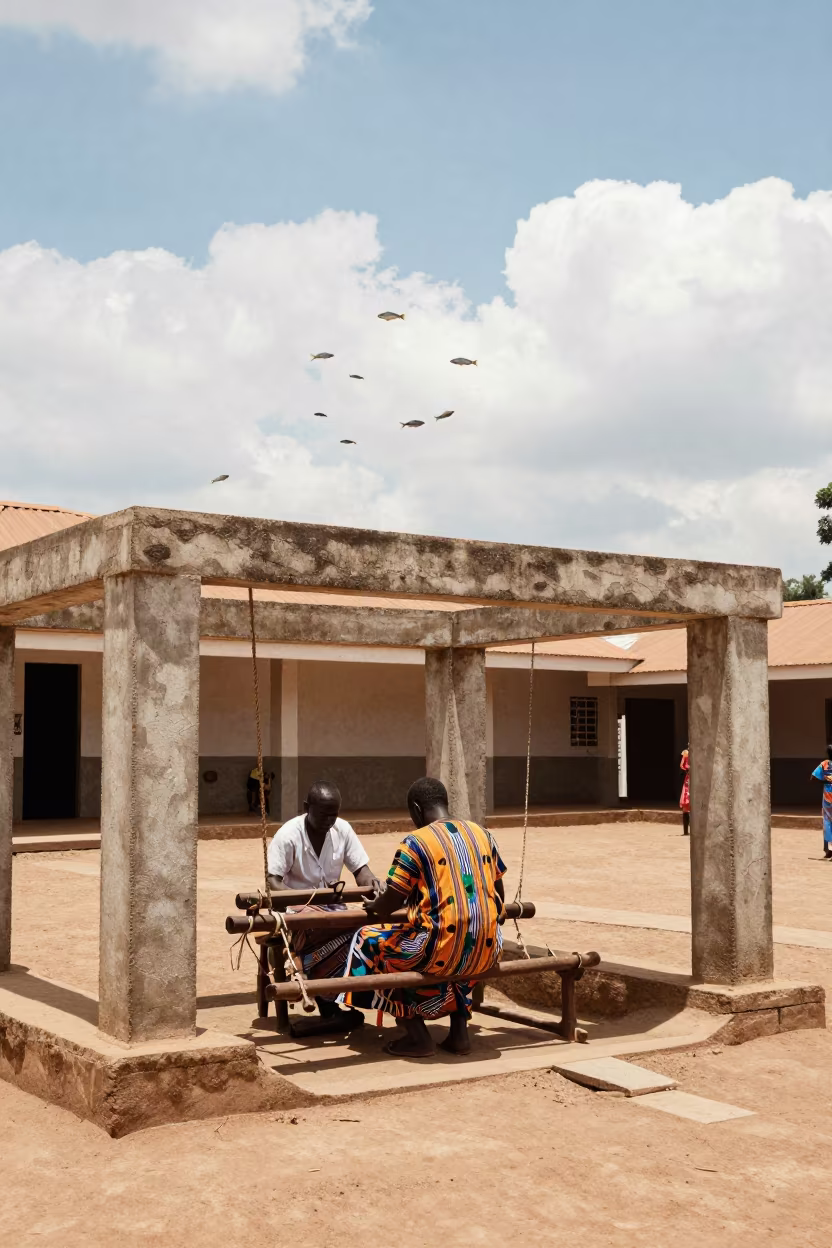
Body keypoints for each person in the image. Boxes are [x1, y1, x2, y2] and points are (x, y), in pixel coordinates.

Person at [341, 776, 506, 1059]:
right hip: (489, 949)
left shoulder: (416, 842)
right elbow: (497, 890)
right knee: (461, 943)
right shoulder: (482, 834)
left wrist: (374, 906)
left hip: (439, 950)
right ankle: (459, 1033)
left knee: (369, 942)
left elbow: (392, 899)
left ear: (416, 809)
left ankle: (416, 1034)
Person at [266, 780, 380, 1028]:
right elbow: (273, 882)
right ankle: (328, 1006)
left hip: (332, 912)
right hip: (296, 913)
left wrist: (372, 883)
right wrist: (305, 902)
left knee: (363, 931)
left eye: (334, 814)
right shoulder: (287, 835)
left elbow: (361, 869)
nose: (330, 820)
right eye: (323, 814)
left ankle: (342, 998)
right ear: (307, 807)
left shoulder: (343, 830)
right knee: (320, 927)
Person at [810, 746, 832, 859]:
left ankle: (829, 850)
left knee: (827, 822)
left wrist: (825, 781)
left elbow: (813, 777)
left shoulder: (824, 764)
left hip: (828, 798)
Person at [680, 747, 690, 836]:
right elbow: (682, 765)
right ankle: (686, 831)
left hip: (696, 778)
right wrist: (687, 770)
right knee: (686, 804)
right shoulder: (686, 753)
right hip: (689, 779)